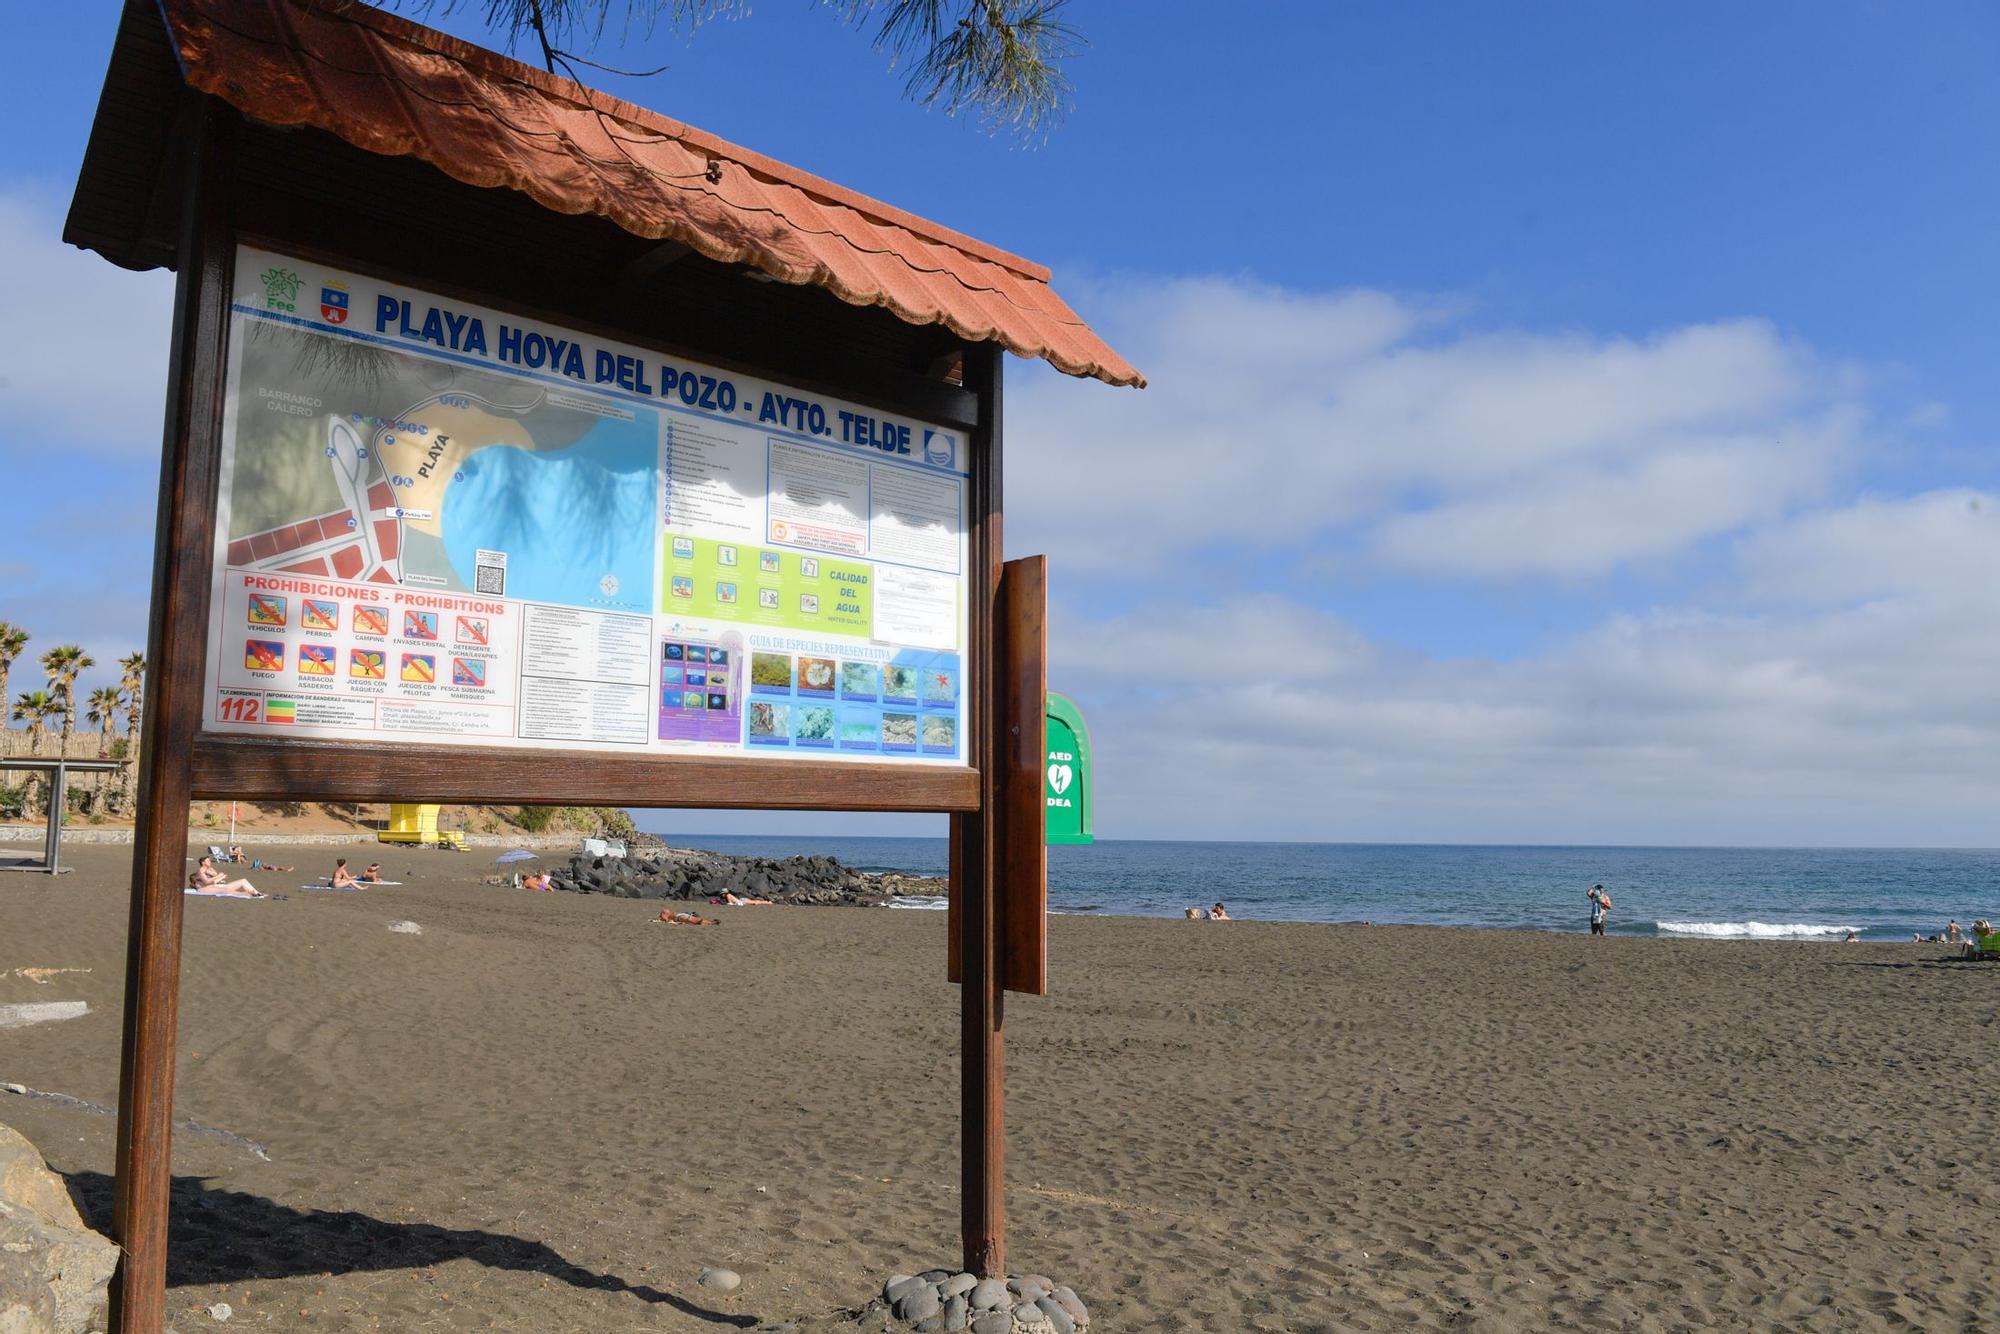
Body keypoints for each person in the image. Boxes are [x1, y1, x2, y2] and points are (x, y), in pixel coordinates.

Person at [191, 855, 262, 897]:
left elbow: (216, 874)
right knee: (225, 890)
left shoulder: (209, 869)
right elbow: (206, 882)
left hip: (214, 886)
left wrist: (218, 875)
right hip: (204, 889)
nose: (210, 862)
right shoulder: (201, 871)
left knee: (243, 881)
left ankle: (257, 892)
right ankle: (248, 894)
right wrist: (220, 876)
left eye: (210, 861)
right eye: (208, 861)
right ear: (203, 863)